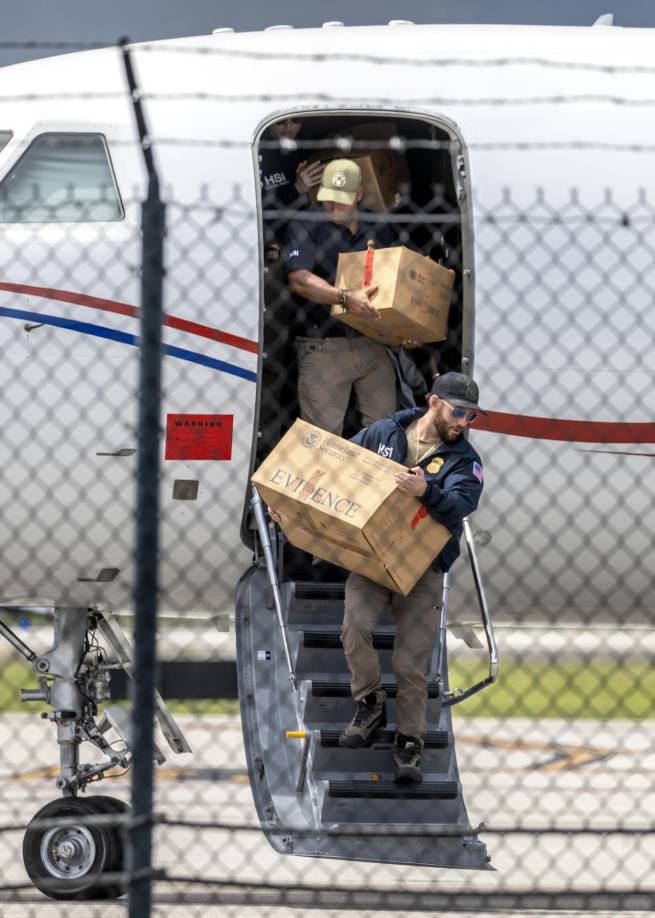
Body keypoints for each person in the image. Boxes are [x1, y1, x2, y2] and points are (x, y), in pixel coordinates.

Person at [338, 372, 485, 784]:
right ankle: (369, 703)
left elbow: (460, 505)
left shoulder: (465, 461)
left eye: (471, 416)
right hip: (373, 558)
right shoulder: (385, 431)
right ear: (434, 402)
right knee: (354, 628)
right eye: (458, 412)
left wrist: (426, 492)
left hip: (423, 567)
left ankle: (409, 744)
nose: (464, 423)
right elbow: (340, 464)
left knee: (411, 664)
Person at [284, 158, 398, 436]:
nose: (332, 208)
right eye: (328, 201)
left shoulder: (377, 225)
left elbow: (397, 278)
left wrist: (402, 328)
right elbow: (299, 280)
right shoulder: (305, 223)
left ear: (359, 194)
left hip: (372, 343)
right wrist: (346, 297)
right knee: (320, 440)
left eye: (341, 202)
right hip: (324, 345)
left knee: (385, 433)